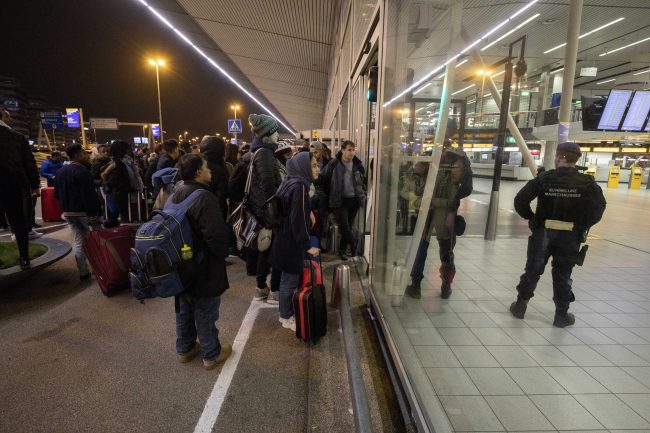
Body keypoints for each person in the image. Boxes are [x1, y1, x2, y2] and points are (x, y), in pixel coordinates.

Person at [509, 142, 606, 327]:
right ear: (576, 159)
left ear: (559, 157)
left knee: (533, 270)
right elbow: (599, 208)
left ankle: (520, 306)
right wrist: (581, 225)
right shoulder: (587, 183)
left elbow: (520, 200)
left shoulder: (544, 179)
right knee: (563, 274)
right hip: (570, 236)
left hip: (543, 234)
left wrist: (532, 219)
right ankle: (561, 316)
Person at [171, 154, 232, 370]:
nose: (210, 170)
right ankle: (211, 354)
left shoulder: (175, 191)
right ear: (198, 172)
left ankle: (185, 349)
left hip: (179, 262)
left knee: (184, 307)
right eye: (206, 167)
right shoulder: (203, 197)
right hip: (201, 263)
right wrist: (222, 254)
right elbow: (215, 235)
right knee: (205, 309)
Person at [404, 147, 473, 299]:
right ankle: (442, 285)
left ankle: (424, 285)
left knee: (436, 250)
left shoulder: (444, 159)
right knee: (435, 251)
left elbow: (463, 189)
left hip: (439, 213)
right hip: (437, 214)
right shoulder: (451, 159)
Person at [269, 152, 320, 331]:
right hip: (291, 243)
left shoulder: (290, 181)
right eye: (313, 165)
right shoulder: (300, 187)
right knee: (289, 281)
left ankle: (286, 313)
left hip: (283, 238)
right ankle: (286, 316)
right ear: (303, 167)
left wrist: (309, 211)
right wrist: (308, 246)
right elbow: (298, 220)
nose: (317, 169)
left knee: (286, 279)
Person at [247, 114, 283, 302]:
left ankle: (261, 288)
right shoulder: (265, 153)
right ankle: (274, 289)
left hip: (263, 209)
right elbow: (269, 186)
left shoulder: (259, 152)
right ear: (268, 134)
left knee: (266, 248)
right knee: (273, 249)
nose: (278, 135)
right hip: (269, 211)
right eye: (275, 131)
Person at [0, 108, 40, 269]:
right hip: (11, 185)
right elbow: (29, 163)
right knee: (18, 220)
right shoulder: (16, 137)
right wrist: (34, 185)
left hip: (11, 183)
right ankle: (24, 257)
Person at [54, 144, 101, 280]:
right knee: (96, 241)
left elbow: (56, 195)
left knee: (79, 241)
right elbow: (88, 196)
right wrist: (93, 214)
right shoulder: (82, 172)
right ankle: (102, 268)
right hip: (84, 213)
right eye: (83, 153)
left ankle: (83, 271)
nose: (87, 156)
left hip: (69, 213)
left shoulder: (60, 172)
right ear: (77, 155)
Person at [319, 140, 366, 261]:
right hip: (339, 201)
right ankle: (354, 243)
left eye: (353, 150)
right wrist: (328, 195)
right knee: (344, 226)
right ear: (342, 150)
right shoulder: (334, 164)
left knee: (348, 226)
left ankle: (343, 251)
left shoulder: (357, 164)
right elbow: (323, 178)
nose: (352, 152)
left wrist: (362, 193)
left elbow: (362, 181)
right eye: (349, 150)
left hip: (354, 200)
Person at [101, 140, 134, 227]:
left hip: (118, 196)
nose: (130, 151)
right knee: (119, 221)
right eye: (128, 149)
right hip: (118, 196)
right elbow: (113, 181)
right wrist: (127, 188)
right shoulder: (119, 163)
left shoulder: (122, 162)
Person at [199, 136, 229, 220]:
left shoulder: (197, 164)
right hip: (214, 214)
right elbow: (222, 196)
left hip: (198, 212)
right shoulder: (219, 168)